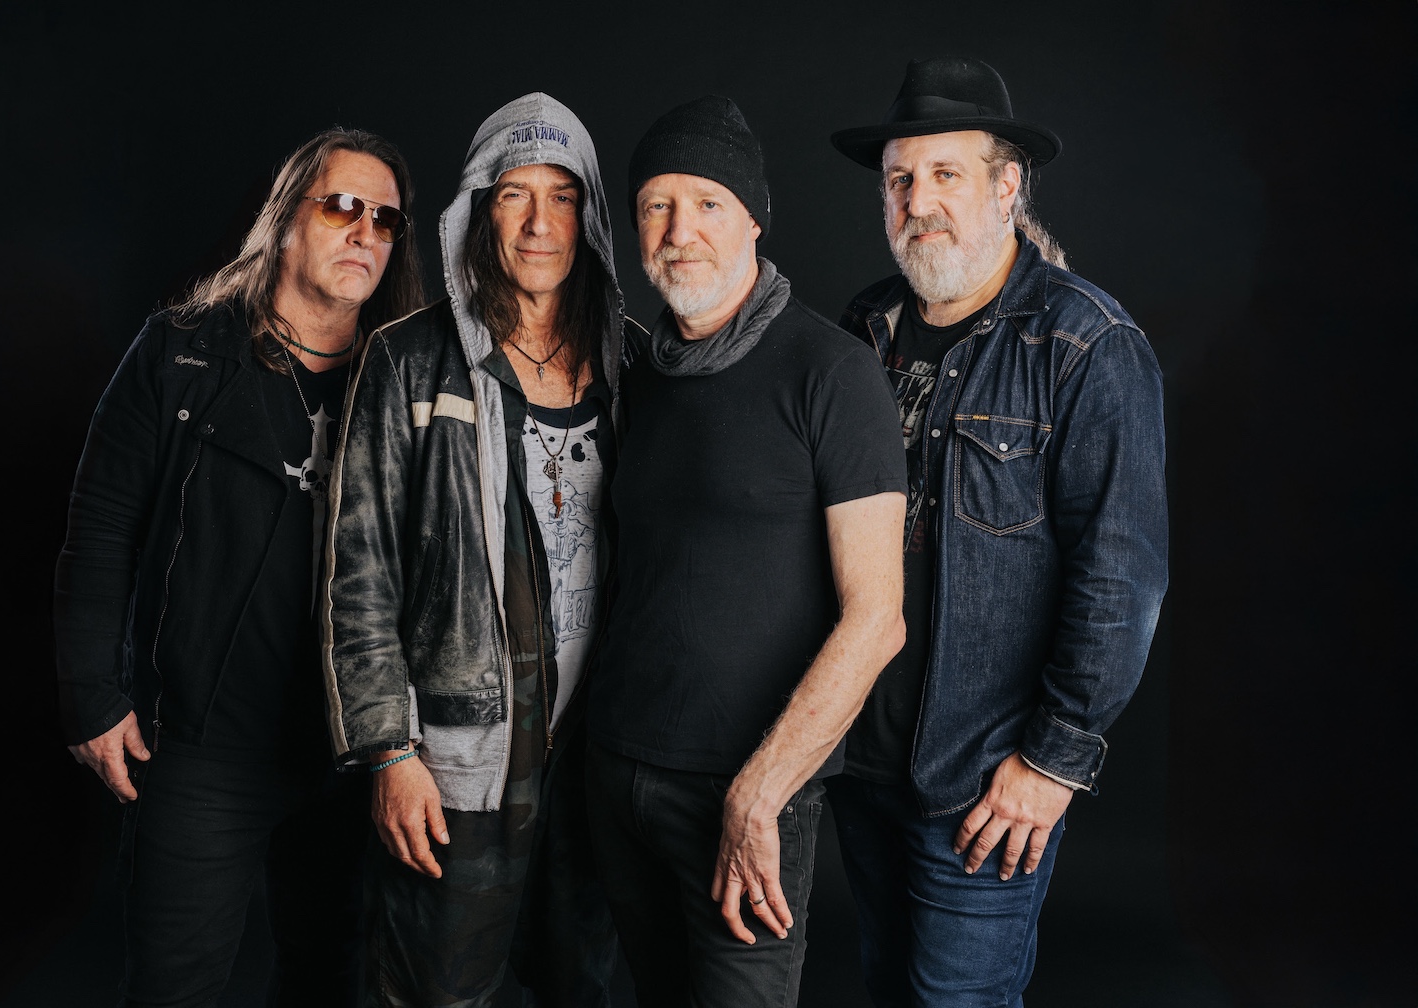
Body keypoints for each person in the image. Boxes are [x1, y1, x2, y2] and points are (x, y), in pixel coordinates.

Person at [825, 55, 1171, 1006]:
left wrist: (1050, 765)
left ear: (1007, 187)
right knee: (888, 989)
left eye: (946, 174)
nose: (919, 202)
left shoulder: (1087, 346)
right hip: (860, 764)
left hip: (983, 782)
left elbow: (1122, 581)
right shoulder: (865, 327)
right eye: (900, 179)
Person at [54, 127, 425, 1007]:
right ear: (286, 218)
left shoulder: (410, 380)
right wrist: (90, 696)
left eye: (385, 220)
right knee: (175, 987)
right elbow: (101, 526)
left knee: (330, 979)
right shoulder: (180, 350)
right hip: (200, 747)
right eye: (342, 206)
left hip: (352, 750)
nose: (365, 231)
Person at [583, 96, 908, 1008]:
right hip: (618, 773)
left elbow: (877, 619)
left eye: (707, 203)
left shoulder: (833, 373)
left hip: (749, 789)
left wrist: (758, 794)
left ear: (755, 217)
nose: (678, 231)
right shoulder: (641, 375)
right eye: (655, 205)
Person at [321, 92, 622, 1007]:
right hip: (458, 763)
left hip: (599, 763)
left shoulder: (635, 366)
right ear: (477, 211)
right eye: (513, 195)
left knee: (584, 988)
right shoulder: (409, 359)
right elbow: (358, 574)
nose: (539, 223)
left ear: (590, 215)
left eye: (562, 196)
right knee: (438, 994)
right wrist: (389, 752)